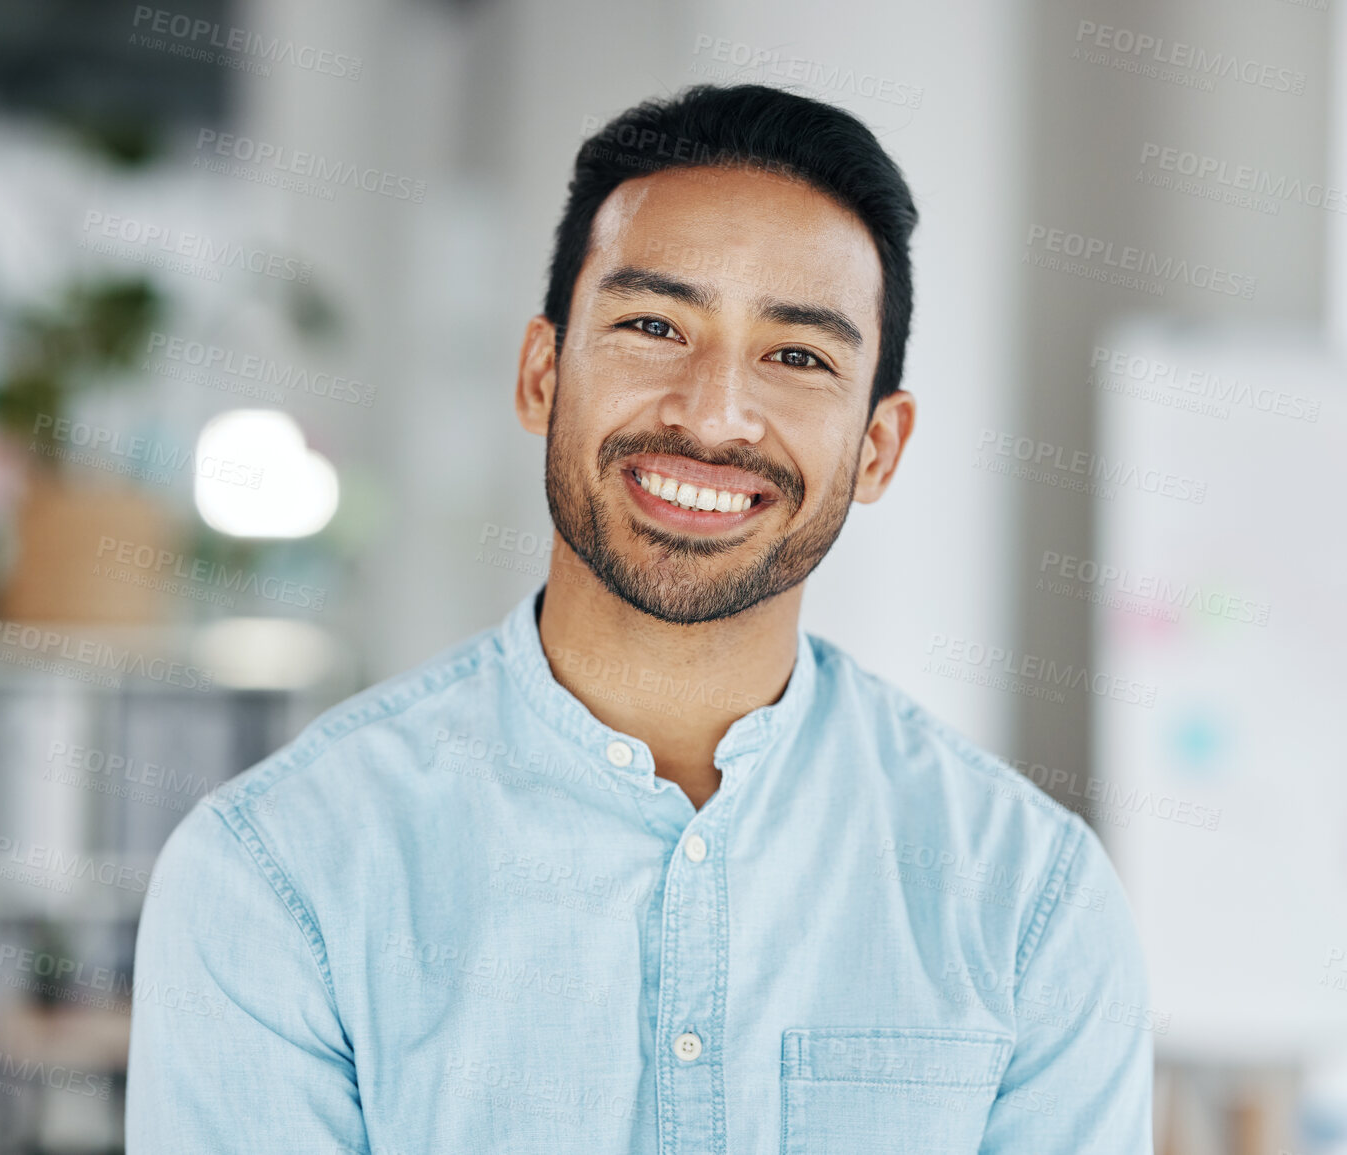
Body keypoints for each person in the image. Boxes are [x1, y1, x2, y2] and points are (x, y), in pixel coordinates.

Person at [127, 83, 1153, 1153]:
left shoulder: (1029, 899)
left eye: (798, 356)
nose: (713, 415)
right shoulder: (280, 873)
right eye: (654, 326)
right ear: (541, 374)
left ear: (879, 448)